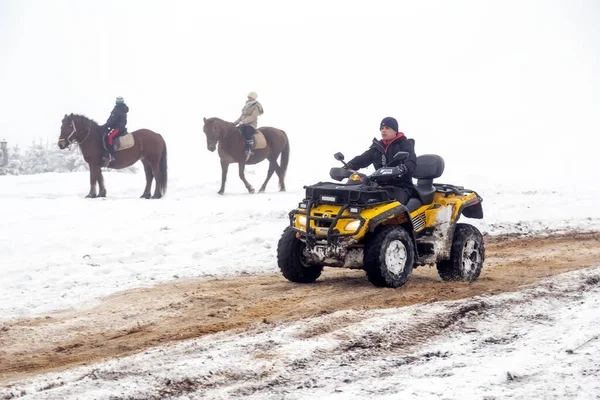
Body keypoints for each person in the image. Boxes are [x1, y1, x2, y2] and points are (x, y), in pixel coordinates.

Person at [345, 117, 417, 205]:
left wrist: (403, 168)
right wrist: (347, 167)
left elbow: (412, 161)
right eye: (382, 128)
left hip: (400, 186)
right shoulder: (377, 147)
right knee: (358, 200)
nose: (383, 131)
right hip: (378, 186)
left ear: (395, 130)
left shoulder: (405, 144)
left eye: (387, 128)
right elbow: (361, 159)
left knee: (393, 206)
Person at [233, 91, 264, 161]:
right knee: (236, 132)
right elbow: (241, 116)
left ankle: (250, 148)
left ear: (254, 98)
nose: (249, 98)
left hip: (251, 125)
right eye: (248, 97)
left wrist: (243, 121)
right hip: (242, 123)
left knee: (247, 132)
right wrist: (234, 123)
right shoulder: (246, 105)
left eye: (250, 97)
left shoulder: (256, 106)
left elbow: (253, 117)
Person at [99, 96, 129, 163]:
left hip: (118, 128)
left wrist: (105, 126)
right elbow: (112, 120)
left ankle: (111, 154)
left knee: (110, 137)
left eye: (118, 101)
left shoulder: (118, 109)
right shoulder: (122, 109)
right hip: (118, 127)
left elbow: (112, 120)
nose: (118, 102)